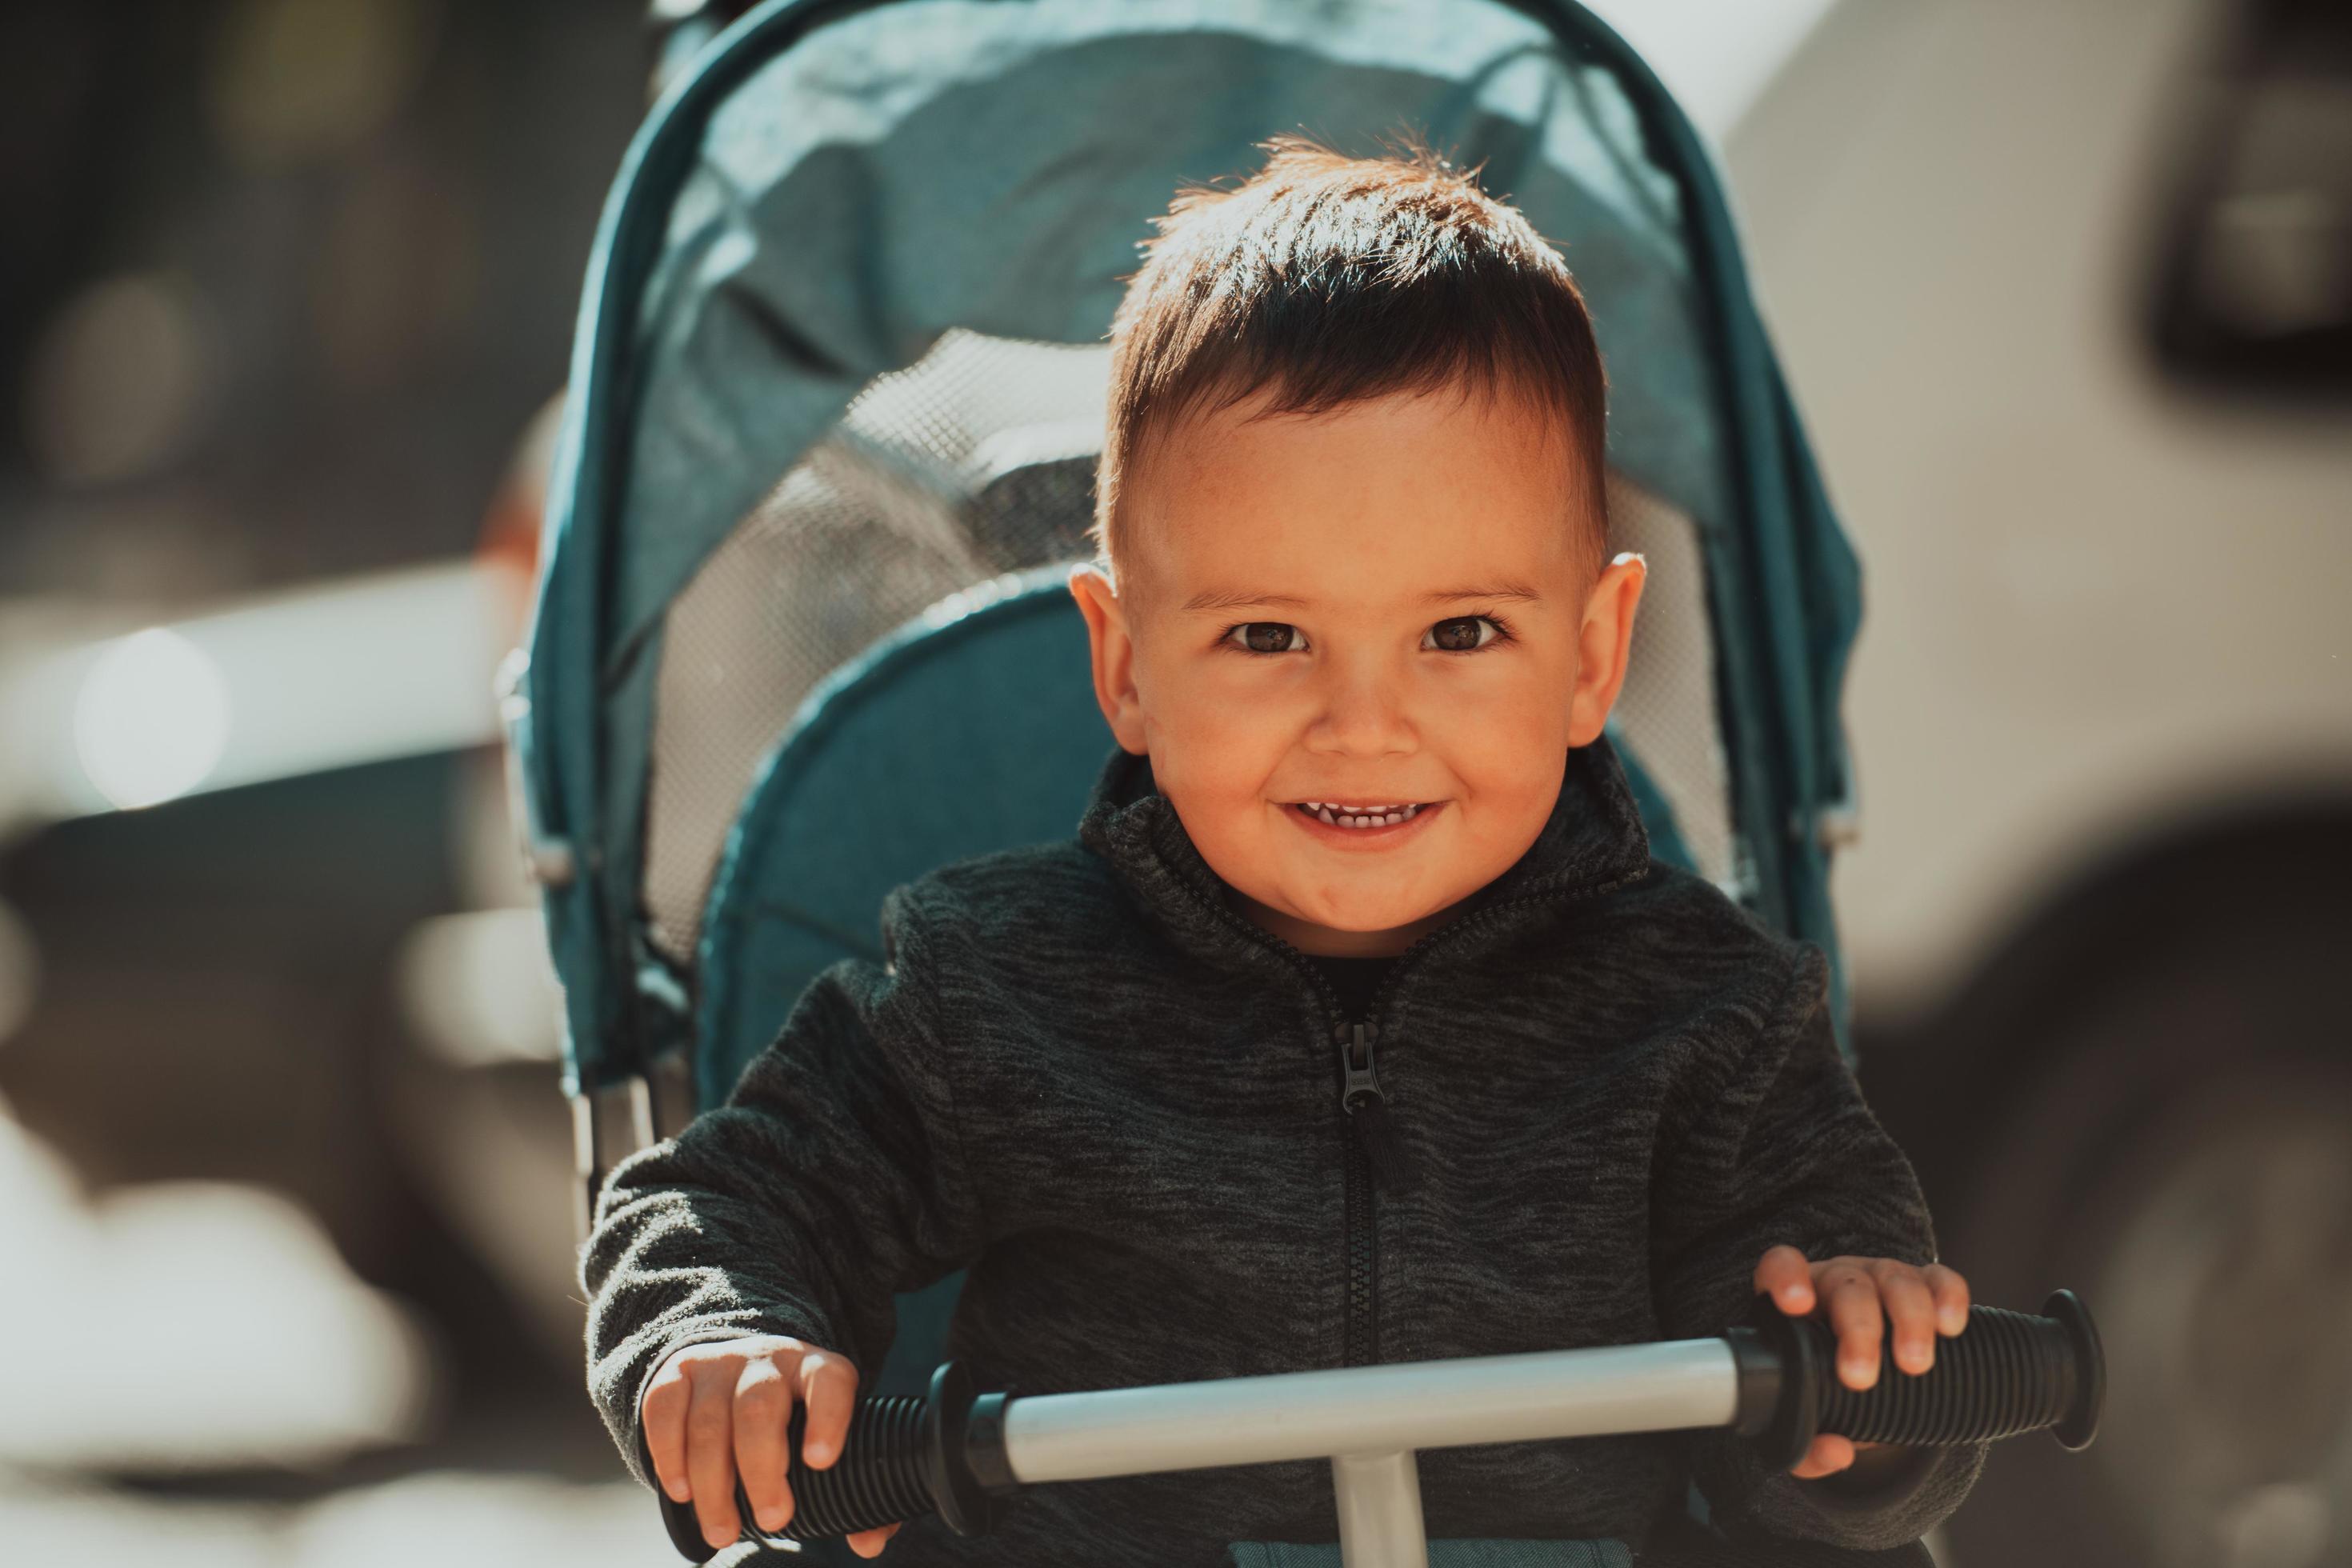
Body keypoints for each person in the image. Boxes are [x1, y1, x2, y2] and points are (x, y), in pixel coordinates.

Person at [582, 134, 1987, 1565]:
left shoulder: (1713, 1018)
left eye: (1460, 634)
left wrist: (1864, 1391)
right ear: (1127, 665)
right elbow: (718, 1202)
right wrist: (725, 1335)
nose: (1363, 725)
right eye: (1268, 637)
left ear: (1591, 653)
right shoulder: (988, 990)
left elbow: (1838, 1427)